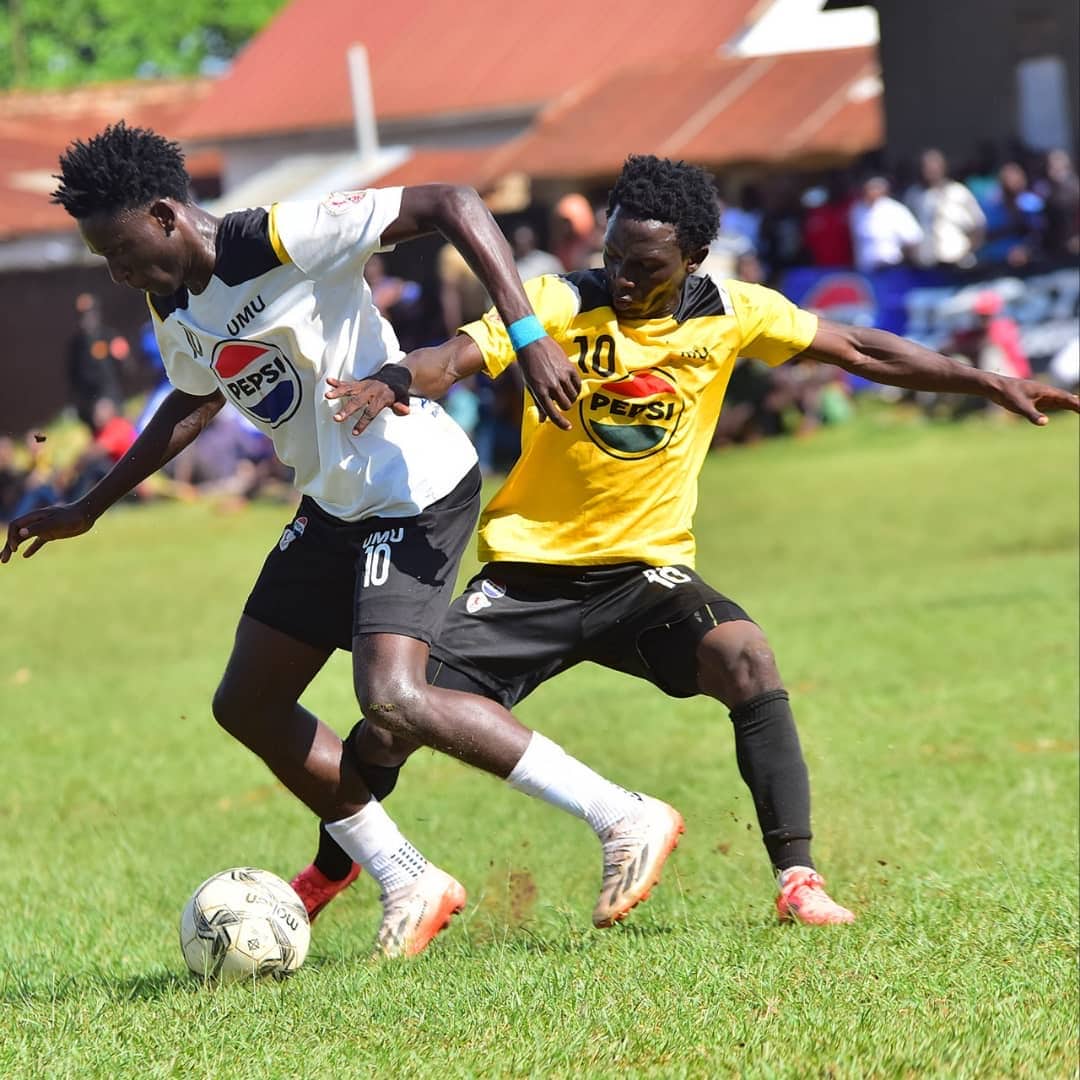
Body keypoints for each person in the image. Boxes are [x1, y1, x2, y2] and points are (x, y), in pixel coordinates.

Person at [308, 154, 1080, 928]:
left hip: (645, 576)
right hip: (526, 575)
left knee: (747, 657)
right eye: (613, 256)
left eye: (646, 266)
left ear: (695, 258)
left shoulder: (733, 312)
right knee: (391, 722)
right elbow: (453, 357)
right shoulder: (556, 302)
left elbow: (859, 349)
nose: (623, 278)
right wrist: (398, 378)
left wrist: (988, 381)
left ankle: (799, 881)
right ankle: (327, 875)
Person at [1, 123, 685, 958]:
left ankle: (622, 815)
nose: (117, 271)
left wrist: (528, 333)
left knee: (392, 696)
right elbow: (195, 398)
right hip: (334, 505)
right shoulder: (171, 299)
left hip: (412, 488)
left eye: (119, 250)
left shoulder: (278, 236)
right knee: (247, 702)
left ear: (165, 215)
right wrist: (90, 504)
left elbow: (451, 202)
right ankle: (408, 878)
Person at [904, 149, 986, 269]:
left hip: (957, 262)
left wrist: (967, 251)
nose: (931, 170)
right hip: (926, 263)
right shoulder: (914, 194)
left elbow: (978, 226)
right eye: (926, 167)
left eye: (935, 166)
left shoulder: (958, 192)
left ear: (943, 168)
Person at [849, 176, 923, 274]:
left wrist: (906, 262)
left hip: (891, 268)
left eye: (876, 188)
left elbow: (913, 238)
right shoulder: (857, 210)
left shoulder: (895, 209)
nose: (872, 192)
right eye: (869, 188)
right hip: (866, 270)